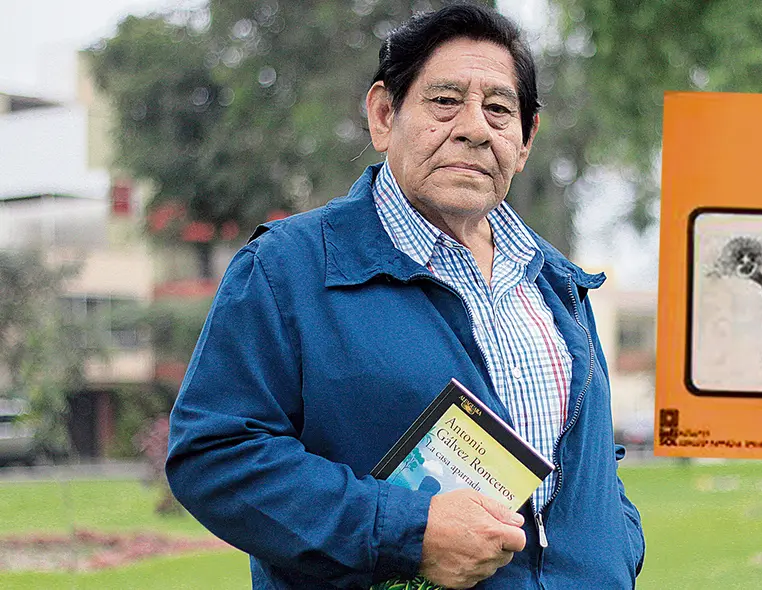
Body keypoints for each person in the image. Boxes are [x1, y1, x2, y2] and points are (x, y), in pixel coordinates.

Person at [166, 4, 644, 589]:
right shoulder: (287, 269)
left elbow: (586, 470)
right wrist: (406, 531)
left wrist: (617, 547)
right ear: (384, 115)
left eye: (499, 109)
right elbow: (215, 457)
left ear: (525, 141)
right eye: (445, 101)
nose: (474, 128)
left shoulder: (557, 283)